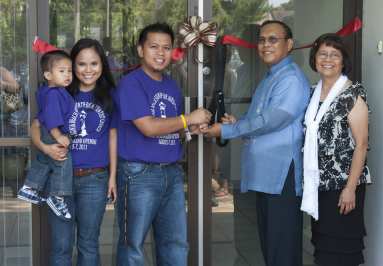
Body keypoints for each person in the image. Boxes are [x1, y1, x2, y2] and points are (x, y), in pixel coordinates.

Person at [202, 20, 310, 266]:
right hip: (267, 176)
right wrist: (238, 122)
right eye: (261, 40)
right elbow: (260, 118)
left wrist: (229, 129)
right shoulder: (271, 77)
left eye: (273, 39)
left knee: (281, 250)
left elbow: (272, 120)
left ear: (289, 44)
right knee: (271, 245)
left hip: (281, 175)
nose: (265, 45)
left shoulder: (290, 79)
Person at [114, 22, 211, 266]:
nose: (160, 53)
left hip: (171, 171)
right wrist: (188, 119)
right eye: (153, 47)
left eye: (166, 48)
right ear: (140, 50)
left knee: (175, 244)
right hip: (138, 174)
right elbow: (148, 127)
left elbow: (172, 126)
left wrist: (190, 127)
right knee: (132, 246)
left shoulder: (170, 84)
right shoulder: (130, 83)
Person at [31, 38, 117, 266]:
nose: (88, 70)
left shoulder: (109, 96)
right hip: (60, 180)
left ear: (102, 66)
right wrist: (46, 148)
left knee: (88, 244)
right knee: (61, 246)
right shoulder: (59, 93)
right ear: (72, 66)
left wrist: (112, 177)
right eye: (81, 64)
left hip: (95, 178)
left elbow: (112, 137)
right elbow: (36, 126)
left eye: (94, 64)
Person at [302, 33, 371, 266]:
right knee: (323, 246)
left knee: (342, 249)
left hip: (344, 186)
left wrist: (350, 188)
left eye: (334, 54)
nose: (328, 59)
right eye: (323, 53)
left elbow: (361, 145)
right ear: (315, 58)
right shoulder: (312, 92)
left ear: (343, 61)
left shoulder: (352, 95)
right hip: (319, 184)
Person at [18, 50, 75, 220]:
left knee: (44, 160)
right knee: (63, 161)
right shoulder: (54, 94)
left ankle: (29, 188)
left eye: (69, 71)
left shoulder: (49, 91)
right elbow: (52, 118)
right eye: (62, 71)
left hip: (45, 132)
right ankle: (57, 197)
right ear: (48, 75)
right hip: (53, 132)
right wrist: (58, 136)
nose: (67, 75)